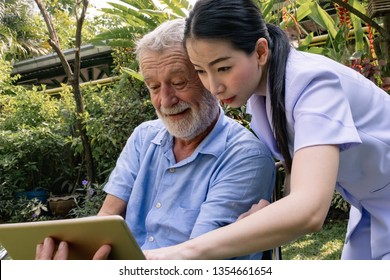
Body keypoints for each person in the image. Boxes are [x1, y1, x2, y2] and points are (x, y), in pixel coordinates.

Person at [143, 0, 390, 260]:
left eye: (223, 68)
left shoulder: (314, 87)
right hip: (371, 211)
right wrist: (270, 216)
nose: (214, 86)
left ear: (260, 51)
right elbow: (298, 181)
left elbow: (309, 210)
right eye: (201, 71)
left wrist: (183, 252)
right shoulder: (265, 95)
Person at [35, 18, 276, 260]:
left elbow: (198, 258)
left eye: (179, 83)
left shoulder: (246, 156)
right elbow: (107, 218)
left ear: (208, 77)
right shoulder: (144, 137)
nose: (165, 100)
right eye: (153, 86)